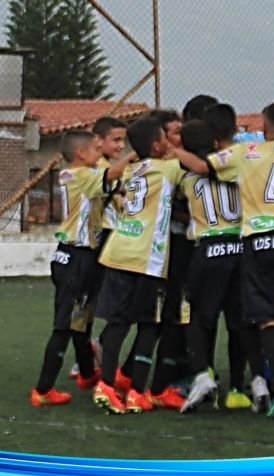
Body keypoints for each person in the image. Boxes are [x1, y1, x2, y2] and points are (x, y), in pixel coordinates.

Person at [176, 101, 274, 417]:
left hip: (256, 243)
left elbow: (204, 167)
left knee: (264, 317)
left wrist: (172, 149)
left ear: (263, 123)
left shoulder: (245, 152)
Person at [93, 116, 189, 414]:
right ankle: (136, 392)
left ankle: (106, 385)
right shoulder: (168, 169)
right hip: (147, 259)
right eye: (165, 137)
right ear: (157, 145)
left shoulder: (131, 169)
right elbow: (196, 167)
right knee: (149, 324)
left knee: (118, 323)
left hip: (118, 251)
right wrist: (176, 152)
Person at [177, 110, 269, 414]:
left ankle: (202, 376)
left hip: (207, 248)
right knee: (242, 321)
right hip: (239, 247)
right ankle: (257, 380)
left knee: (198, 319)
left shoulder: (184, 173)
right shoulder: (237, 165)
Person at [30, 130, 129, 406]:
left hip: (81, 256)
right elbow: (111, 175)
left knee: (81, 318)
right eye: (96, 149)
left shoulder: (82, 175)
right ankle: (43, 390)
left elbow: (112, 186)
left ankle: (87, 373)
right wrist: (137, 155)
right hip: (75, 257)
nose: (100, 154)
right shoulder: (79, 175)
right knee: (64, 324)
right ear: (81, 153)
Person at [69, 116, 127, 380]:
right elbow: (115, 187)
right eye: (116, 140)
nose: (121, 145)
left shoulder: (104, 166)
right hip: (100, 238)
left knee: (90, 301)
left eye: (123, 140)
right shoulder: (99, 168)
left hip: (104, 236)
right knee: (92, 301)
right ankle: (88, 355)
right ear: (98, 141)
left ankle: (86, 356)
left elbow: (117, 196)